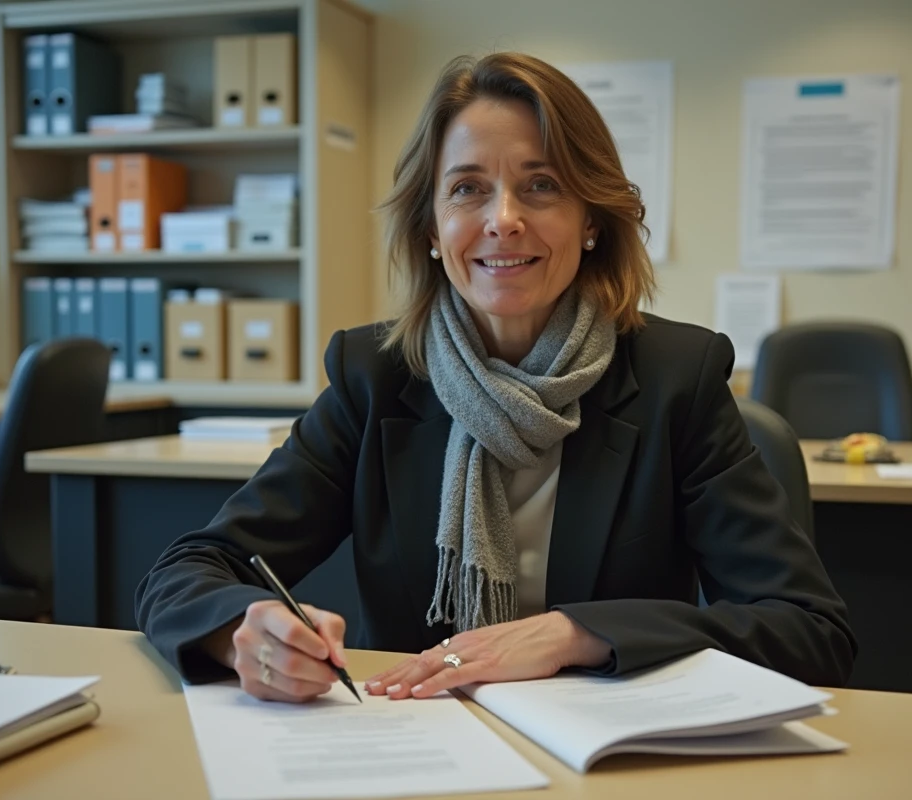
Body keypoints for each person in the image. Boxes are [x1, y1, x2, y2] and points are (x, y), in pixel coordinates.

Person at [136, 52, 856, 704]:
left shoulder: (678, 379)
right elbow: (190, 570)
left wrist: (578, 634)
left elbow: (808, 631)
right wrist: (239, 631)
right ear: (430, 226)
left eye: (540, 185)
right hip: (422, 746)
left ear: (591, 220)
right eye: (468, 189)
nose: (503, 220)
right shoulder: (373, 378)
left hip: (607, 760)